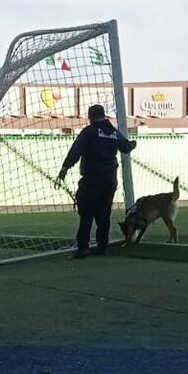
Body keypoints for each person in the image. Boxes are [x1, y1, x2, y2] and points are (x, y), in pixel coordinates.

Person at [58, 104, 137, 258]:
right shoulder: (113, 132)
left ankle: (83, 247)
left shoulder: (89, 132)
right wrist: (133, 143)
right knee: (104, 214)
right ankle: (102, 246)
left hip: (92, 178)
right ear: (104, 115)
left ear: (90, 117)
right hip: (109, 179)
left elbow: (76, 150)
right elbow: (126, 147)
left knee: (87, 213)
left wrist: (65, 167)